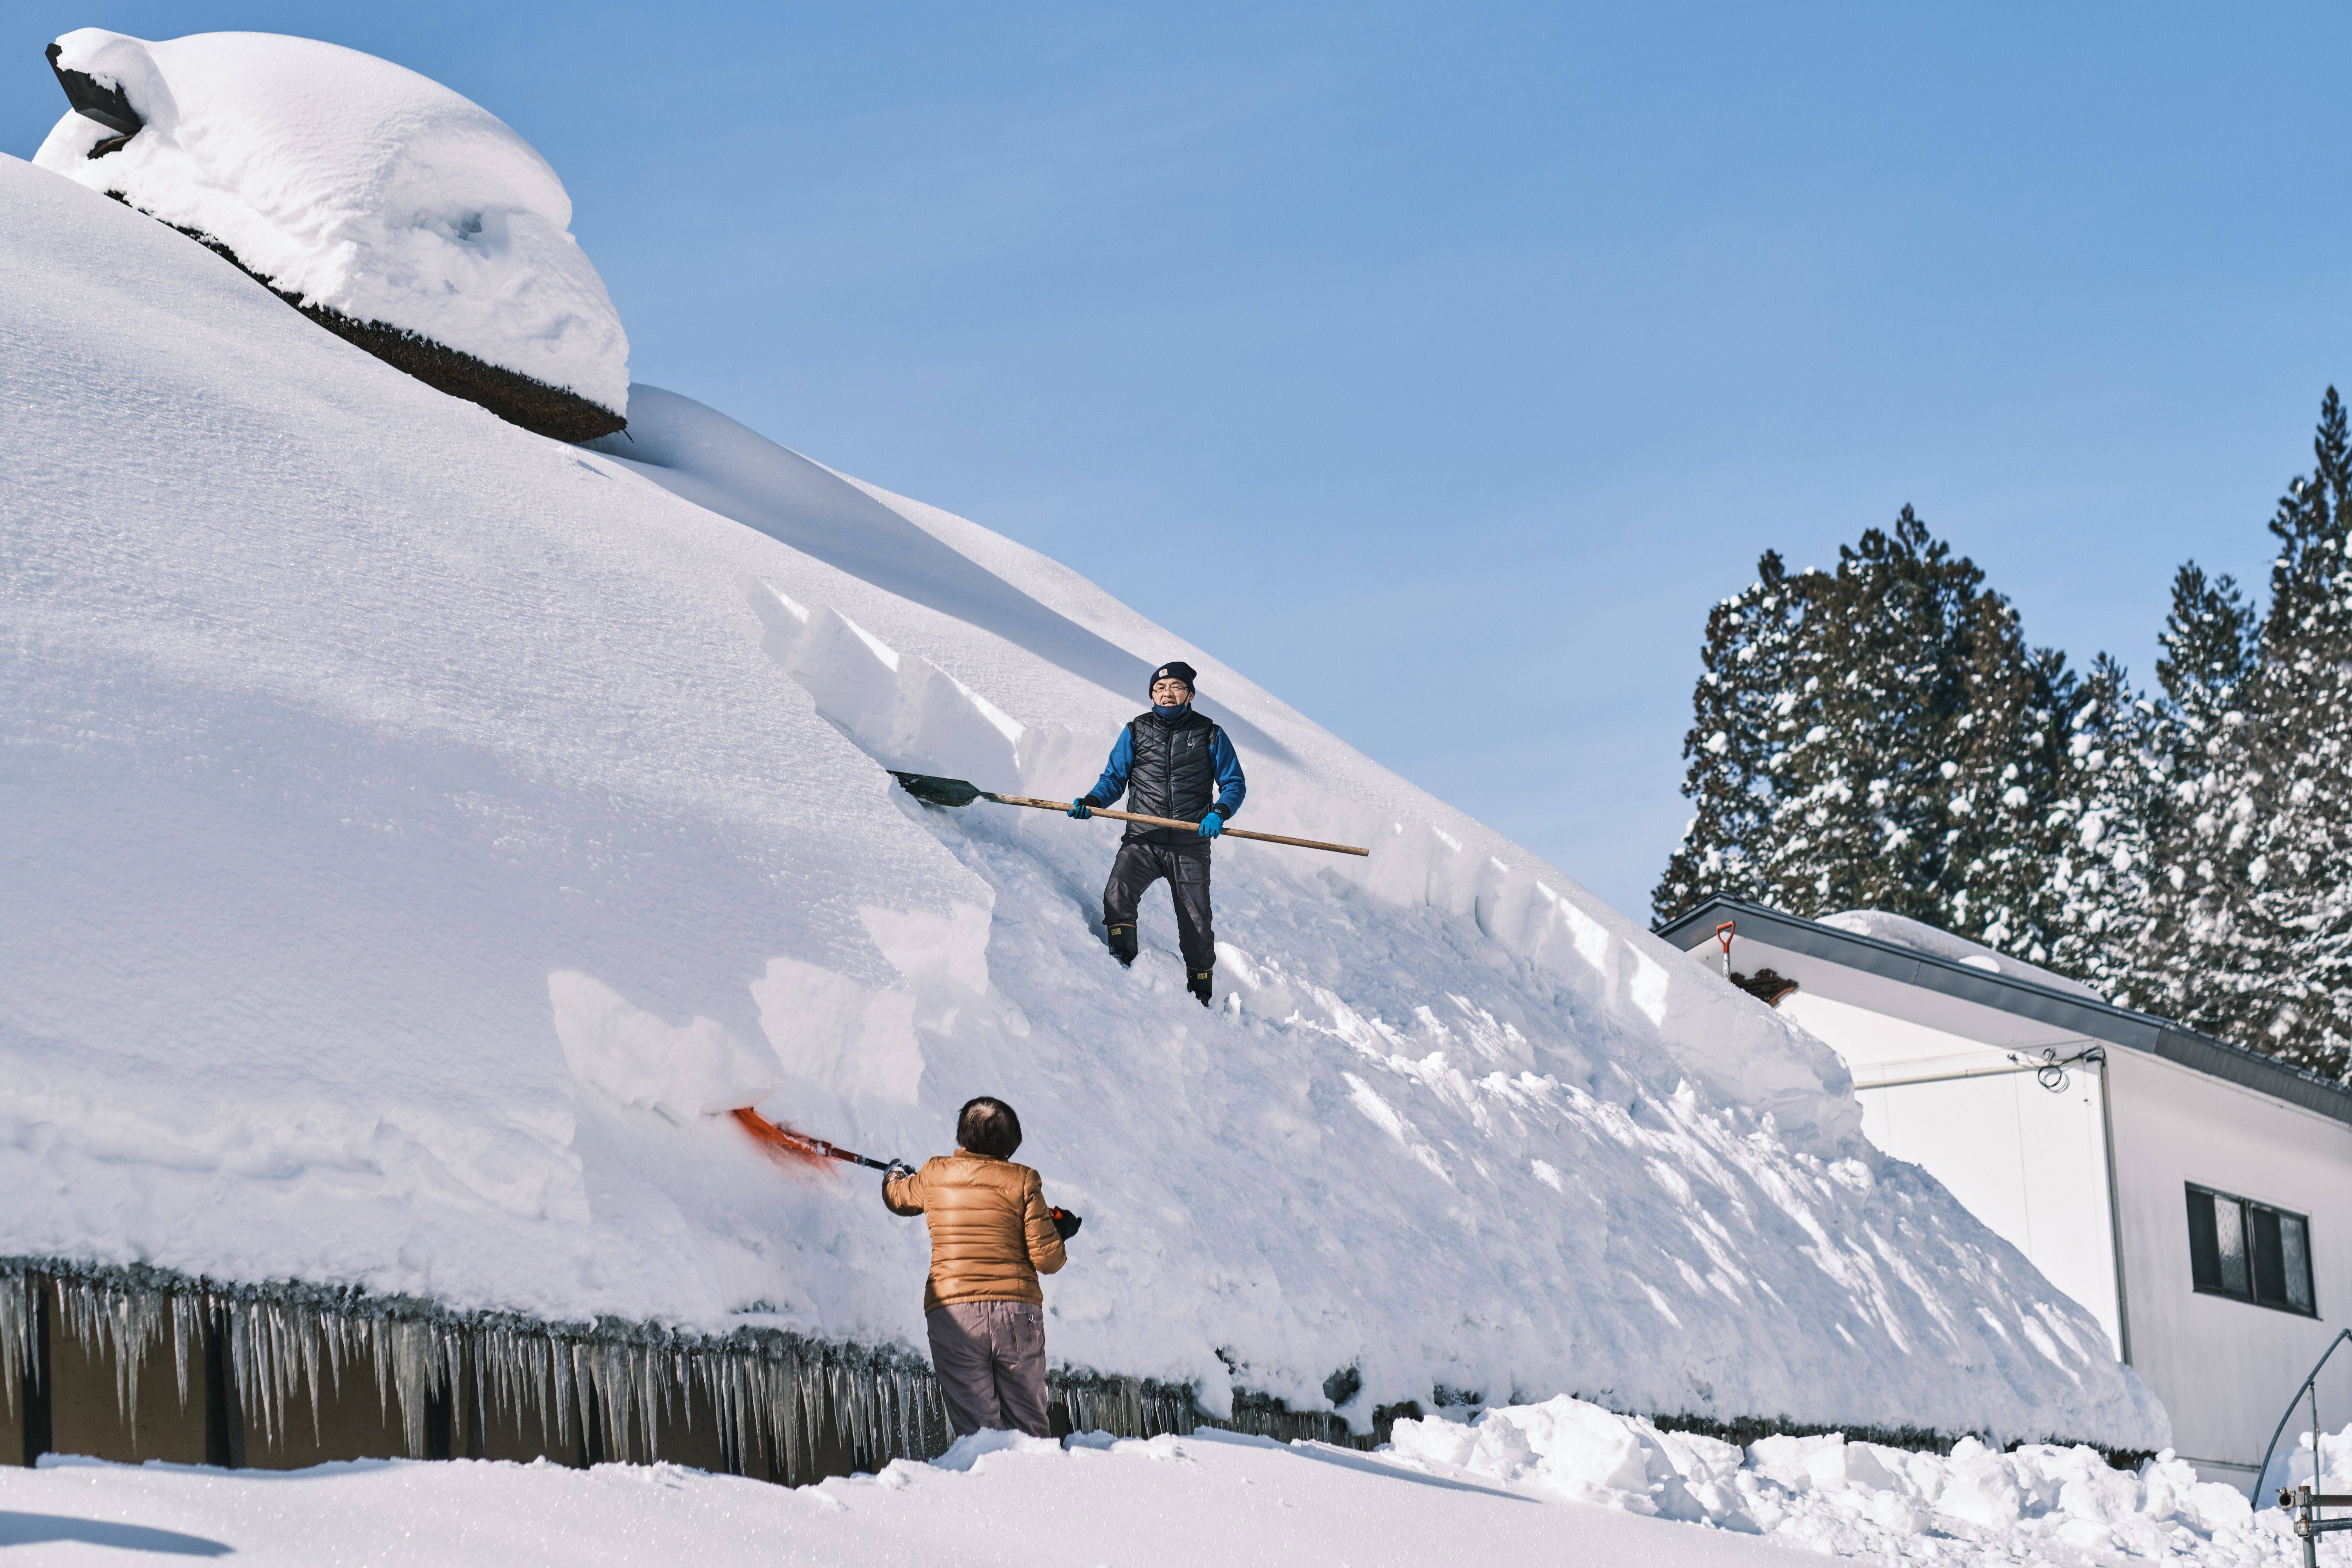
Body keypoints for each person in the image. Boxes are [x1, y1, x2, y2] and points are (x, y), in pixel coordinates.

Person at [881, 1096, 1079, 1439]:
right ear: (1010, 1146)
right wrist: (1058, 1233)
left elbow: (898, 1198)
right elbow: (1047, 1259)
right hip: (1017, 1315)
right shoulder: (1024, 1181)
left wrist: (895, 1173)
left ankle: (990, 1484)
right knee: (1029, 1428)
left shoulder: (934, 1174)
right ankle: (1040, 1488)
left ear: (961, 1137)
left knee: (978, 1433)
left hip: (954, 1315)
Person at [1066, 660, 1247, 1006]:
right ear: (1152, 694)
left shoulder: (1211, 733)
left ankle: (1201, 994)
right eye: (1160, 689)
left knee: (1196, 925)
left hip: (1190, 844)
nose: (1167, 693)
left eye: (1176, 687)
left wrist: (1219, 813)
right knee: (1118, 893)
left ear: (1190, 694)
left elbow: (1234, 784)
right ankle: (1123, 965)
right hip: (1143, 839)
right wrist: (1092, 801)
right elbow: (1114, 779)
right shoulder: (1136, 731)